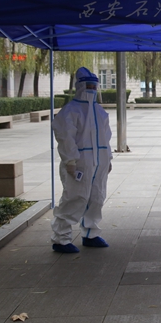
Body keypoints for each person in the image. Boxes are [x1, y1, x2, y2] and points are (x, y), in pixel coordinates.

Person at [50, 67, 113, 252]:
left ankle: (90, 233)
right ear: (80, 87)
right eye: (88, 86)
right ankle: (61, 238)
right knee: (74, 198)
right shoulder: (70, 111)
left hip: (99, 161)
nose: (92, 89)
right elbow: (64, 136)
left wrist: (108, 158)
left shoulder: (100, 112)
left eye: (94, 86)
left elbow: (106, 137)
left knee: (97, 197)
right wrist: (70, 160)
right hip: (80, 162)